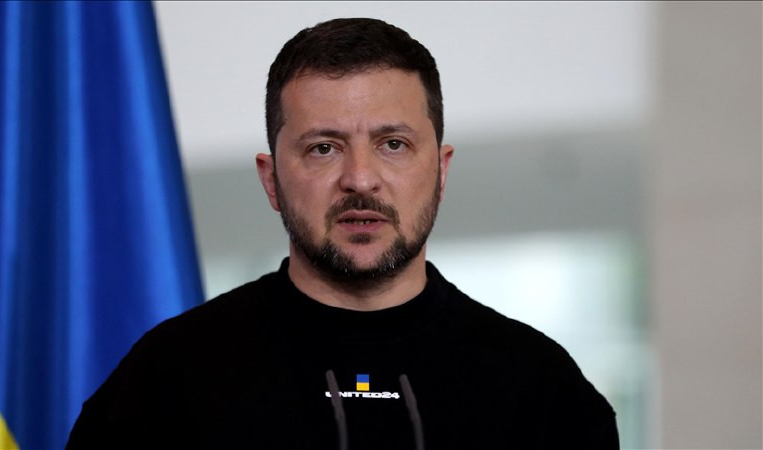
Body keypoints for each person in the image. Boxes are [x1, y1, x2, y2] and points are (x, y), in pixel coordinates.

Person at [67, 18, 618, 449]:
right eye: (323, 148)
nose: (360, 178)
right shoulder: (166, 382)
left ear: (441, 170)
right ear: (271, 180)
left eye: (393, 144)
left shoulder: (544, 391)